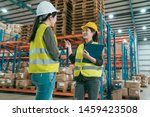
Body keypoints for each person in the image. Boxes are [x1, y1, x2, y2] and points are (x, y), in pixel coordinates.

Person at [28, 1, 59, 100]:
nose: (56, 20)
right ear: (50, 17)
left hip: (36, 73)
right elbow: (54, 54)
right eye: (55, 17)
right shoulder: (46, 30)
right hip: (46, 73)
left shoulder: (37, 30)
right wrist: (59, 54)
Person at [65, 22, 103, 100]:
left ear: (93, 32)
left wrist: (88, 57)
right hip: (80, 78)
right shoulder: (80, 47)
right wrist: (69, 47)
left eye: (86, 30)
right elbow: (73, 59)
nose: (84, 32)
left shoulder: (96, 46)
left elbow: (100, 62)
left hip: (93, 80)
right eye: (83, 31)